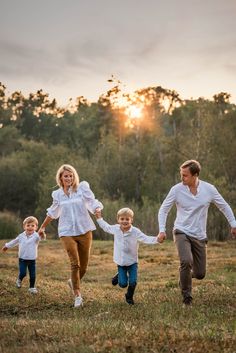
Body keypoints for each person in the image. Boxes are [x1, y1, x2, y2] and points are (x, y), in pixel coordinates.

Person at [157, 159, 236, 306]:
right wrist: (162, 230)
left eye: (185, 175)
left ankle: (184, 276)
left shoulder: (209, 189)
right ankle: (187, 297)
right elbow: (163, 209)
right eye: (181, 174)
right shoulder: (176, 190)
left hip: (199, 235)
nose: (182, 178)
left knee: (200, 274)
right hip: (181, 231)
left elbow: (224, 206)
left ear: (195, 175)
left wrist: (233, 224)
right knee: (186, 261)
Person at [38, 164, 103, 308]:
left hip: (85, 230)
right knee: (75, 264)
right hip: (66, 232)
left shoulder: (82, 188)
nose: (69, 178)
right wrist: (42, 227)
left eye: (71, 175)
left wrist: (97, 209)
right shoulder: (58, 195)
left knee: (84, 267)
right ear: (60, 178)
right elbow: (52, 213)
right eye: (66, 176)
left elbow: (91, 202)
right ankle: (78, 296)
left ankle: (72, 282)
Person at [95, 207, 160, 305]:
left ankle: (129, 296)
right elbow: (106, 227)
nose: (124, 221)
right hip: (121, 262)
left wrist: (157, 239)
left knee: (133, 282)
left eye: (127, 219)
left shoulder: (135, 231)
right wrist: (99, 218)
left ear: (131, 220)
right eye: (122, 219)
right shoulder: (116, 229)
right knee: (122, 284)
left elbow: (145, 238)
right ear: (118, 220)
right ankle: (118, 276)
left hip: (132, 262)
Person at [2, 216, 46, 294]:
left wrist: (42, 233)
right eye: (28, 225)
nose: (30, 227)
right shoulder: (21, 236)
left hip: (32, 259)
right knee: (23, 273)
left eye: (33, 226)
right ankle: (19, 279)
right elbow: (14, 242)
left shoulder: (36, 236)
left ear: (36, 227)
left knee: (32, 275)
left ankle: (32, 287)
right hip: (22, 259)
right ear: (24, 226)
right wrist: (7, 246)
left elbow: (41, 238)